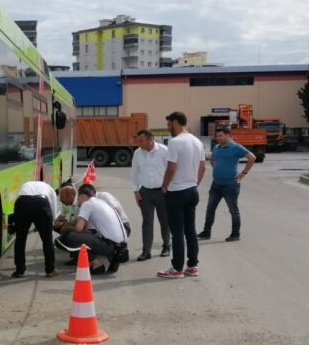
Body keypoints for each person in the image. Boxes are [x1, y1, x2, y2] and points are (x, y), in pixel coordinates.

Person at [159, 111, 205, 279]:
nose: (168, 127)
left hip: (176, 192)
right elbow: (203, 167)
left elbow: (171, 168)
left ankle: (177, 268)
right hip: (192, 191)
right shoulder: (197, 141)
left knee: (177, 232)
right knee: (190, 230)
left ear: (176, 122)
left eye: (169, 124)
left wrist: (164, 186)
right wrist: (194, 183)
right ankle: (192, 265)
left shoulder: (175, 142)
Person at [198, 123, 256, 242]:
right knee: (210, 208)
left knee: (233, 210)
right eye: (217, 136)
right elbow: (213, 159)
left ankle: (235, 234)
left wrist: (243, 173)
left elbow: (252, 158)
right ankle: (206, 232)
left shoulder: (236, 147)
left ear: (228, 135)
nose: (218, 138)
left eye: (220, 136)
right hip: (216, 184)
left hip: (230, 185)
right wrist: (217, 169)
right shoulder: (216, 147)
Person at [55, 183, 128, 274]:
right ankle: (110, 257)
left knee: (72, 236)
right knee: (70, 232)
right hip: (120, 246)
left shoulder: (87, 204)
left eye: (78, 197)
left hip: (112, 246)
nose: (77, 200)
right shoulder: (99, 202)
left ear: (84, 196)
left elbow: (78, 228)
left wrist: (65, 228)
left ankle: (97, 264)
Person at [131, 129, 170, 260]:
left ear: (150, 139)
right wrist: (136, 191)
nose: (139, 143)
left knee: (164, 220)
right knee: (147, 222)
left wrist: (168, 187)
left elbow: (171, 170)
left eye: (141, 140)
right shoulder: (137, 153)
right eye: (138, 140)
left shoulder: (164, 151)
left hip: (162, 192)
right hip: (145, 192)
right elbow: (135, 172)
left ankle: (166, 246)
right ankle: (146, 251)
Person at [10, 179, 59, 278]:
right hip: (41, 203)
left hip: (22, 203)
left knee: (20, 238)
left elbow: (17, 199)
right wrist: (49, 223)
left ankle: (19, 270)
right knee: (47, 239)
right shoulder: (49, 188)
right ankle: (50, 270)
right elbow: (53, 208)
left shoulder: (25, 184)